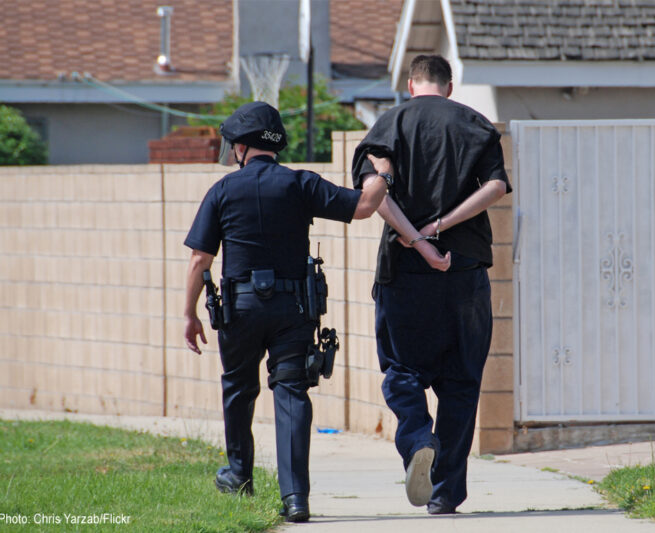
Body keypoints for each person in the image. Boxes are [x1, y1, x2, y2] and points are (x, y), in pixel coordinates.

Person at [183, 101, 392, 522]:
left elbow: (199, 261)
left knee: (239, 390)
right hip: (293, 309)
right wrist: (383, 169)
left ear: (241, 147)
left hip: (239, 311)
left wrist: (188, 314)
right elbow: (366, 205)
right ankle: (296, 498)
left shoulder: (222, 191)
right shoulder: (300, 183)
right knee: (292, 394)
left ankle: (239, 476)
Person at [351, 54, 511, 514]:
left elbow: (373, 194)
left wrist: (418, 241)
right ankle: (444, 494)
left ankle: (420, 438)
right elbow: (496, 188)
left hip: (404, 273)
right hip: (464, 270)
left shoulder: (389, 125)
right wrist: (441, 226)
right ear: (449, 85)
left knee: (401, 370)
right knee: (461, 383)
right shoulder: (476, 125)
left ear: (410, 83)